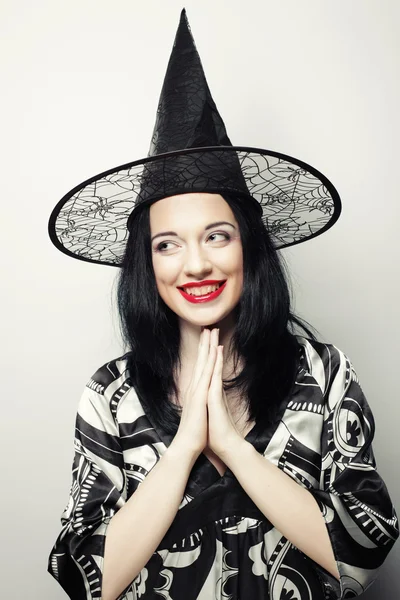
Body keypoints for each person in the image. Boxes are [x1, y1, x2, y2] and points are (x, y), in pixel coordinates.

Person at [47, 9, 399, 600]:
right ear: (147, 265)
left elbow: (364, 550)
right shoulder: (110, 396)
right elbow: (90, 580)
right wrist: (186, 443)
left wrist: (231, 446)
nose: (196, 264)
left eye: (217, 235)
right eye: (168, 244)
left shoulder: (323, 374)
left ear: (247, 246)